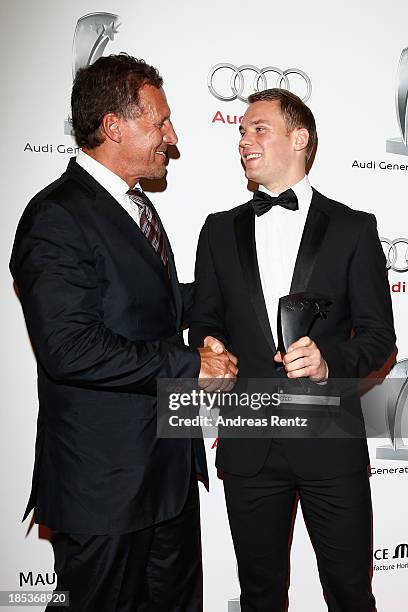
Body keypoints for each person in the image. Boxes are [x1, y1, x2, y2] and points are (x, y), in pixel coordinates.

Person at [10, 54, 237, 612]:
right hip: (104, 491)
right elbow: (70, 348)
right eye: (159, 122)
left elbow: (148, 307)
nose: (172, 136)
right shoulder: (56, 217)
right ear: (113, 126)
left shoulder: (137, 208)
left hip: (168, 481)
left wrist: (234, 296)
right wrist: (192, 366)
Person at [189, 88, 395, 611]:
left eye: (259, 128)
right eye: (241, 131)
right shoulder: (217, 231)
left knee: (350, 593)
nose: (244, 140)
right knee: (260, 596)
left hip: (330, 439)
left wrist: (330, 365)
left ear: (299, 138)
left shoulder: (354, 228)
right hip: (248, 443)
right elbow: (203, 320)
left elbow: (379, 340)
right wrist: (207, 343)